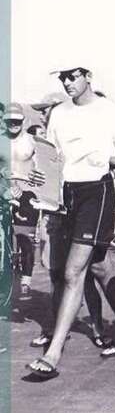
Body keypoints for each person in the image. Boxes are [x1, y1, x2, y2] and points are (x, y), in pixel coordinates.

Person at [25, 66, 115, 380]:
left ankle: (53, 352)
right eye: (62, 77)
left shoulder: (110, 112)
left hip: (97, 192)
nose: (66, 83)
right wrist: (41, 181)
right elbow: (51, 159)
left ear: (88, 76)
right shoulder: (59, 114)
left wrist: (106, 159)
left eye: (72, 76)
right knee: (101, 266)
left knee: (73, 271)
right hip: (67, 194)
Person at [4, 103, 38, 299]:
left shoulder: (33, 142)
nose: (13, 125)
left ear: (23, 121)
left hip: (27, 194)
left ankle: (26, 280)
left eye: (17, 121)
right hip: (6, 192)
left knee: (25, 240)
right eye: (9, 121)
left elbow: (43, 170)